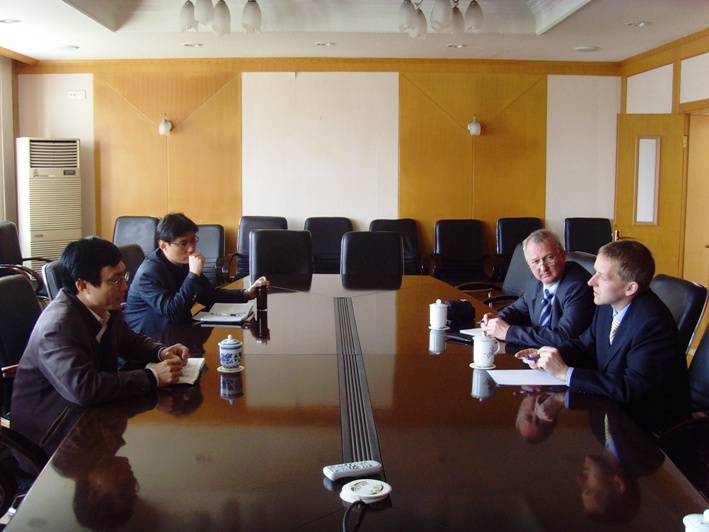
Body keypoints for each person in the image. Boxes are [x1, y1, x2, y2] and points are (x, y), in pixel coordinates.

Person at [11, 237, 189, 448]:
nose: (125, 286)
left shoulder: (103, 306)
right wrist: (153, 376)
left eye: (124, 276)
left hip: (90, 415)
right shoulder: (58, 327)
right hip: (52, 434)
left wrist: (160, 351)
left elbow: (129, 340)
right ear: (83, 285)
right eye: (115, 280)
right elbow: (85, 388)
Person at [516, 239, 689, 433]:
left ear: (630, 288)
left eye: (603, 277)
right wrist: (548, 356)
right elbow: (586, 346)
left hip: (648, 430)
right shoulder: (609, 304)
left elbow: (631, 387)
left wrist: (566, 373)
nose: (591, 281)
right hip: (611, 415)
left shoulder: (652, 323)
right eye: (595, 272)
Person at [124, 213, 267, 337]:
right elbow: (174, 313)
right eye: (183, 243)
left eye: (193, 240)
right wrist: (193, 274)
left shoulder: (183, 262)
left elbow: (210, 296)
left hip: (175, 333)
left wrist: (246, 294)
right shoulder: (149, 273)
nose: (191, 248)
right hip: (149, 339)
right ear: (163, 245)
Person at [481, 229, 595, 347]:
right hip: (536, 352)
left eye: (549, 258)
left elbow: (563, 337)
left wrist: (508, 332)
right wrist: (496, 321)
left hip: (566, 355)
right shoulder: (535, 281)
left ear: (562, 255)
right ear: (528, 264)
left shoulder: (578, 286)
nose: (543, 268)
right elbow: (517, 310)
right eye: (535, 261)